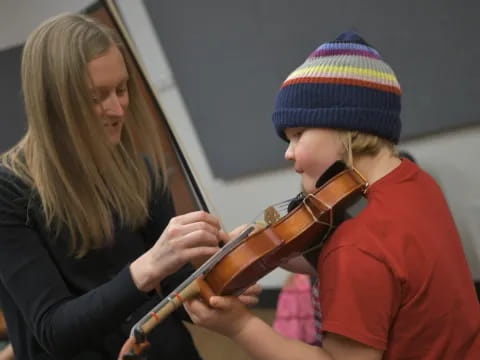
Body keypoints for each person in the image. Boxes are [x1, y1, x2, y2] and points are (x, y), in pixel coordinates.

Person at [184, 31, 480, 359]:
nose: (289, 153)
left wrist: (240, 326)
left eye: (298, 135)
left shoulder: (356, 245)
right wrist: (267, 248)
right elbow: (385, 274)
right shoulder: (417, 182)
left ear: (348, 125)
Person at [0, 13, 229, 359]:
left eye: (121, 89)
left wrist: (225, 274)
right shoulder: (10, 190)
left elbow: (173, 296)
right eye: (96, 97)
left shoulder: (140, 171)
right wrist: (148, 267)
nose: (117, 108)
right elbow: (54, 330)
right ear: (53, 103)